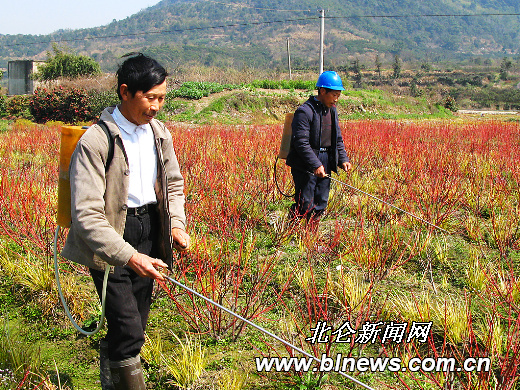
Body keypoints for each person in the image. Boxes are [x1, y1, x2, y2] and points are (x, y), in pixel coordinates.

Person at [61, 53, 190, 390]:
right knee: (130, 327)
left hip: (150, 230)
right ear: (125, 92)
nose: (157, 106)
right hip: (111, 239)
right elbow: (87, 216)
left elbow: (172, 183)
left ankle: (112, 380)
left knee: (134, 323)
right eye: (150, 97)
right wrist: (130, 256)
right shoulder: (96, 141)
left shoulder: (159, 133)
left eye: (162, 97)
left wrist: (176, 224)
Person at [286, 71, 352, 226]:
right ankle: (294, 228)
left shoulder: (332, 111)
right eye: (334, 95)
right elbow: (300, 142)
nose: (336, 99)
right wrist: (315, 164)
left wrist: (342, 158)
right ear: (322, 91)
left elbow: (337, 138)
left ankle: (312, 230)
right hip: (305, 162)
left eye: (338, 95)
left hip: (326, 159)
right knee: (306, 200)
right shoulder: (305, 111)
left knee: (321, 198)